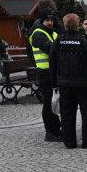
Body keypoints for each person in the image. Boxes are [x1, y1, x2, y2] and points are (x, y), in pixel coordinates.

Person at [48, 13, 87, 150]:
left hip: (65, 84)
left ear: (65, 25)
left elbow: (52, 63)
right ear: (78, 25)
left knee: (67, 114)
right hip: (84, 84)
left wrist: (54, 83)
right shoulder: (83, 40)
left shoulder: (58, 40)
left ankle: (69, 142)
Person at [28, 9, 62, 142]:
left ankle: (56, 128)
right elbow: (51, 48)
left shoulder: (52, 33)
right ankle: (50, 132)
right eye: (47, 20)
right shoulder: (38, 34)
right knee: (48, 102)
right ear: (42, 21)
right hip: (44, 72)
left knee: (55, 101)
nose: (50, 22)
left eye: (52, 20)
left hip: (54, 72)